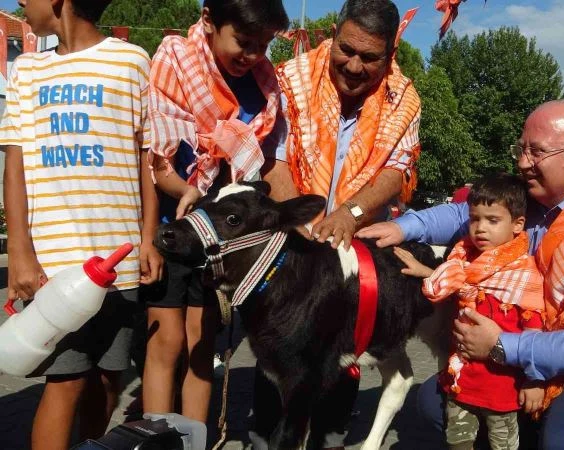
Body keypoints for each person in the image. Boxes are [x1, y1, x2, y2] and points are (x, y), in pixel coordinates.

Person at [358, 100, 564, 450]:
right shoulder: (533, 199)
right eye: (521, 149)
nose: (522, 162)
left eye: (536, 152)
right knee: (434, 403)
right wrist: (400, 228)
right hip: (526, 350)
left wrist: (501, 345)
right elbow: (463, 215)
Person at [257, 0, 421, 447]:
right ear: (334, 33)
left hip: (353, 252)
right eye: (346, 49)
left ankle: (327, 434)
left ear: (390, 54)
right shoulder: (287, 79)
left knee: (341, 348)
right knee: (278, 350)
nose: (353, 65)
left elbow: (396, 171)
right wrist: (303, 220)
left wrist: (348, 215)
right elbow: (270, 155)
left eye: (370, 58)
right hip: (291, 242)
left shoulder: (403, 98)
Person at [0, 1, 161, 449]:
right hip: (55, 268)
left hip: (120, 261)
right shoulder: (27, 70)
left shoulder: (132, 61)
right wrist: (20, 253)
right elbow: (15, 165)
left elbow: (145, 156)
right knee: (65, 381)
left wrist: (148, 238)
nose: (21, 5)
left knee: (109, 378)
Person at [143, 0, 289, 424]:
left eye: (262, 46)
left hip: (221, 242)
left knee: (202, 345)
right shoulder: (175, 59)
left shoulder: (264, 86)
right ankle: (157, 436)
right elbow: (157, 155)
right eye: (243, 42)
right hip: (175, 226)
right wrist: (186, 189)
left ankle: (195, 437)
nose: (252, 56)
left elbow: (261, 161)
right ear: (208, 20)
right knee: (166, 343)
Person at [395, 173, 545, 450]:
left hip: (502, 390)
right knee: (458, 442)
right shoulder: (463, 261)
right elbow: (462, 285)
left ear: (518, 224)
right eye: (475, 218)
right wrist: (425, 272)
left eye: (492, 220)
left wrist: (535, 380)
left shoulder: (525, 276)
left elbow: (534, 332)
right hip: (462, 382)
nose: (480, 228)